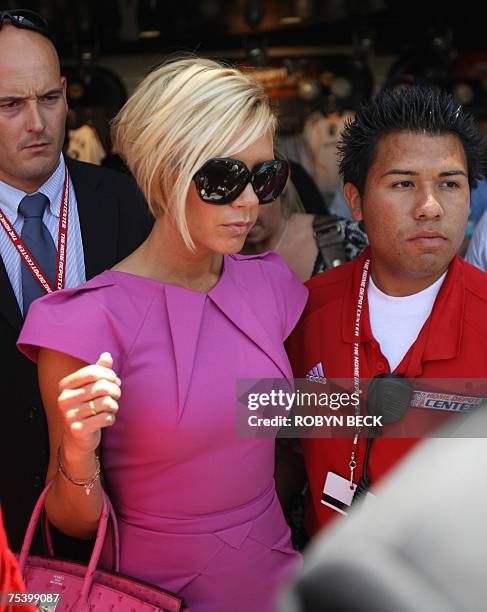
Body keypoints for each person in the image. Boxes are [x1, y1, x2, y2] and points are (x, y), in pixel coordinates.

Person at [17, 57, 308, 611]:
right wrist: (79, 449)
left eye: (265, 177)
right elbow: (74, 520)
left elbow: (288, 422)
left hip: (272, 572)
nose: (250, 202)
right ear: (164, 170)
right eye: (224, 179)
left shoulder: (272, 285)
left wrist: (438, 410)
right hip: (149, 591)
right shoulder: (83, 321)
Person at [286, 86, 487, 535]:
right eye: (403, 183)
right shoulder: (303, 311)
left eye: (450, 184)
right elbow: (279, 456)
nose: (430, 207)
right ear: (355, 201)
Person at [0, 9, 153, 554]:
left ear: (67, 94)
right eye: (10, 105)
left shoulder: (129, 204)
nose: (37, 123)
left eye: (47, 98)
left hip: (130, 517)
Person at [242, 175, 367, 281]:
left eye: (258, 185)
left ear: (282, 179)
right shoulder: (223, 257)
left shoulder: (349, 237)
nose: (246, 203)